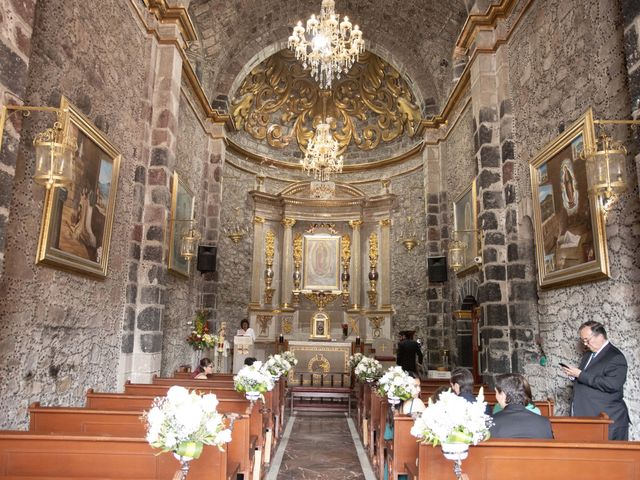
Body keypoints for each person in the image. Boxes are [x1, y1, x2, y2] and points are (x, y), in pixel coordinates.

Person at [562, 320, 630, 440]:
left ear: (600, 335)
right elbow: (589, 379)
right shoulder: (589, 354)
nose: (585, 344)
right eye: (583, 340)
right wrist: (574, 376)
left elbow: (611, 385)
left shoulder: (615, 357)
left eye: (587, 340)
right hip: (589, 415)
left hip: (606, 419)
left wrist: (580, 375)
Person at [490, 373, 553, 439]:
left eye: (496, 392)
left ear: (502, 394)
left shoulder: (490, 423)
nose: (495, 396)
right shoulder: (544, 423)